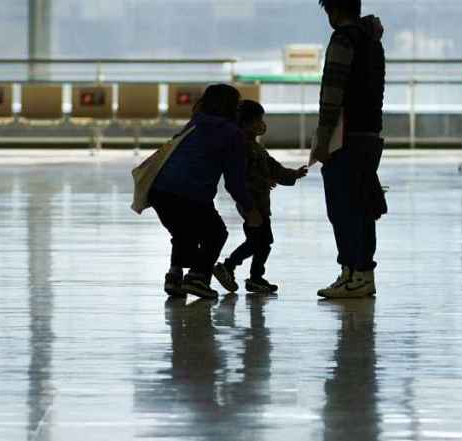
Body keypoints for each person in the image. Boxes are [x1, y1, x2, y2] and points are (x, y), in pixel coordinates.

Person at [150, 84, 263, 300]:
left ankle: (174, 277)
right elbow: (234, 182)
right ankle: (198, 277)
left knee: (184, 233)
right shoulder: (232, 133)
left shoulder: (195, 122)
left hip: (160, 191)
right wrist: (250, 209)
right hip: (190, 193)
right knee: (216, 233)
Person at [310, 0, 386, 299]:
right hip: (369, 132)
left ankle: (353, 272)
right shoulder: (373, 40)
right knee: (362, 205)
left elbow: (333, 91)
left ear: (334, 10)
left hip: (345, 134)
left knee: (343, 208)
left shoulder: (343, 39)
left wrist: (323, 136)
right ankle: (360, 274)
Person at [216, 100, 307, 294]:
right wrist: (264, 184)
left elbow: (273, 168)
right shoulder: (242, 147)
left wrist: (293, 174)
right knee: (258, 241)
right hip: (251, 203)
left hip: (260, 203)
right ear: (245, 123)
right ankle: (229, 266)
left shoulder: (255, 147)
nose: (261, 124)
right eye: (257, 120)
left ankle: (255, 278)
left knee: (263, 242)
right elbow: (241, 177)